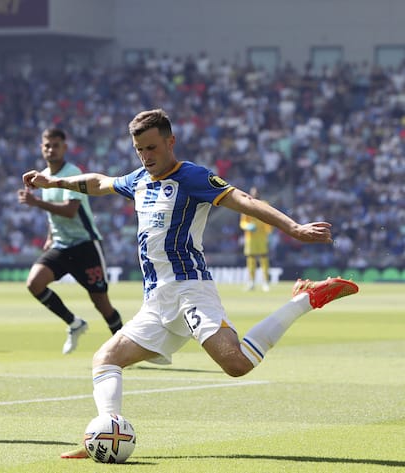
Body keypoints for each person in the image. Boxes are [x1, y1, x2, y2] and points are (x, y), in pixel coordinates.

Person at [22, 109, 358, 458]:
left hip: (190, 289)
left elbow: (245, 200)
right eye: (140, 150)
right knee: (105, 358)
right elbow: (99, 183)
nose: (146, 156)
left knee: (237, 365)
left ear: (171, 141)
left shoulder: (192, 177)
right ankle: (106, 433)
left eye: (152, 148)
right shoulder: (138, 179)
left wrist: (294, 228)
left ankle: (304, 299)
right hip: (156, 301)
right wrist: (53, 183)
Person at [17, 128, 124, 355]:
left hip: (86, 245)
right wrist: (49, 237)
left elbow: (69, 210)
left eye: (56, 145)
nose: (51, 149)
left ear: (65, 148)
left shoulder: (72, 172)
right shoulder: (43, 175)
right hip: (61, 246)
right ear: (41, 148)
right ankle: (74, 323)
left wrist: (36, 203)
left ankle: (126, 346)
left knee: (102, 304)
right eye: (47, 145)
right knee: (34, 283)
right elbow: (53, 216)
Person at [239, 187, 273, 291]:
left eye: (257, 193)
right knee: (251, 260)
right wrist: (247, 226)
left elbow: (270, 218)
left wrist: (269, 233)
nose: (255, 194)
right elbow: (242, 223)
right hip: (251, 238)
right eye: (253, 193)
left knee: (264, 259)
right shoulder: (246, 205)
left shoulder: (265, 204)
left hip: (262, 237)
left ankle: (265, 282)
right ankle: (251, 282)